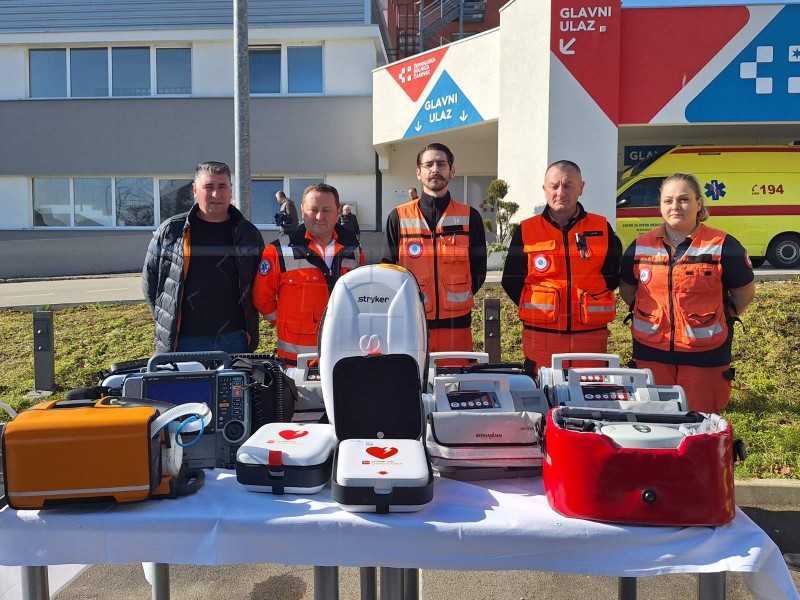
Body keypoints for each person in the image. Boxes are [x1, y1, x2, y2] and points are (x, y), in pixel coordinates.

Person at [619, 172, 755, 413]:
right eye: (668, 200)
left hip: (704, 355)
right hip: (651, 352)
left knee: (699, 426)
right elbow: (629, 291)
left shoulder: (723, 245)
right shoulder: (640, 245)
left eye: (683, 199)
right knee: (654, 424)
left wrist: (723, 314)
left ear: (698, 203)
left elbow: (743, 293)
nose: (675, 206)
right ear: (660, 204)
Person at [501, 160, 621, 373]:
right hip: (541, 336)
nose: (560, 192)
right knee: (542, 396)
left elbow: (612, 276)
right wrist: (542, 303)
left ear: (581, 188)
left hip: (590, 337)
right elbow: (511, 280)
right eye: (554, 186)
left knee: (589, 398)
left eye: (568, 185)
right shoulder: (527, 230)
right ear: (544, 189)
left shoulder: (601, 227)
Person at [143, 161, 265, 353]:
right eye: (208, 187)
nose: (216, 194)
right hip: (183, 341)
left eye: (222, 186)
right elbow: (150, 283)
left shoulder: (249, 234)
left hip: (235, 339)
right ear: (195, 190)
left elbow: (260, 284)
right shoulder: (171, 231)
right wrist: (167, 321)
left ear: (231, 190)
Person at [382, 142, 487, 352]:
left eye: (441, 164)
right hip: (413, 322)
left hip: (457, 324)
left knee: (456, 381)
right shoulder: (398, 217)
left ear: (452, 171)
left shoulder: (470, 216)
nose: (435, 169)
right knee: (414, 382)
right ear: (418, 173)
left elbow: (479, 270)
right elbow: (388, 268)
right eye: (428, 164)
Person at [254, 183, 364, 365]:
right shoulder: (278, 250)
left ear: (338, 212)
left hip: (343, 354)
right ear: (302, 210)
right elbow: (261, 298)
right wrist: (284, 322)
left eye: (326, 210)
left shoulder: (353, 249)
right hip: (296, 359)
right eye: (313, 210)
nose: (319, 217)